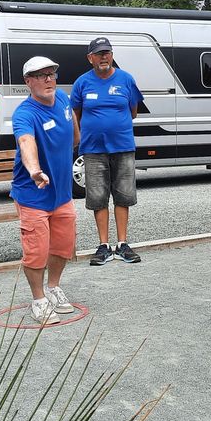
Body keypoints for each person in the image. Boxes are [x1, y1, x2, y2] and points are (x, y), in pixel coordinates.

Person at [11, 56, 80, 325]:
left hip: (62, 195)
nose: (48, 79)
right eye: (40, 76)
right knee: (37, 250)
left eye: (51, 73)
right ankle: (38, 300)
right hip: (32, 195)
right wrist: (34, 169)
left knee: (63, 246)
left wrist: (76, 138)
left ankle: (53, 288)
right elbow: (26, 141)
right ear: (28, 82)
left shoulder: (62, 99)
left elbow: (73, 129)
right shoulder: (25, 113)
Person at [70, 37, 145, 266]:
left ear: (112, 55)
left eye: (107, 53)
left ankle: (122, 244)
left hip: (122, 147)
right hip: (93, 149)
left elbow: (133, 111)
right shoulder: (82, 83)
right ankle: (103, 246)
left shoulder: (126, 79)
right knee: (98, 197)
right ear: (90, 58)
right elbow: (76, 114)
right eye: (99, 53)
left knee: (123, 195)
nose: (104, 57)